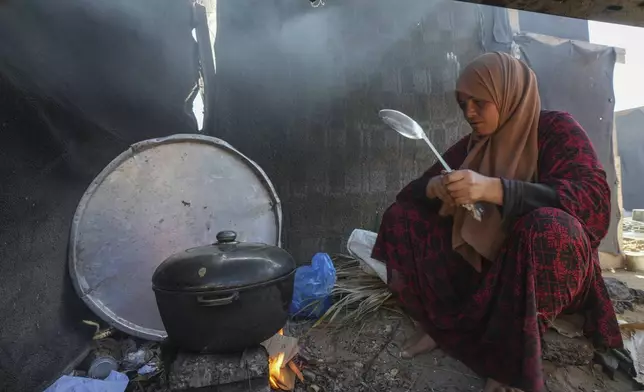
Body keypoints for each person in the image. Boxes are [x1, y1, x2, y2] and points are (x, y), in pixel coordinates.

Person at [371, 52, 622, 392]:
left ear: (509, 95)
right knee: (403, 218)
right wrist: (434, 188)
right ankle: (443, 323)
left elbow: (593, 202)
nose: (469, 113)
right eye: (463, 104)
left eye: (479, 102)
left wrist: (496, 190)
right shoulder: (475, 146)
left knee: (548, 229)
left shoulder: (555, 130)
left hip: (550, 269)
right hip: (484, 273)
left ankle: (508, 361)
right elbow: (408, 196)